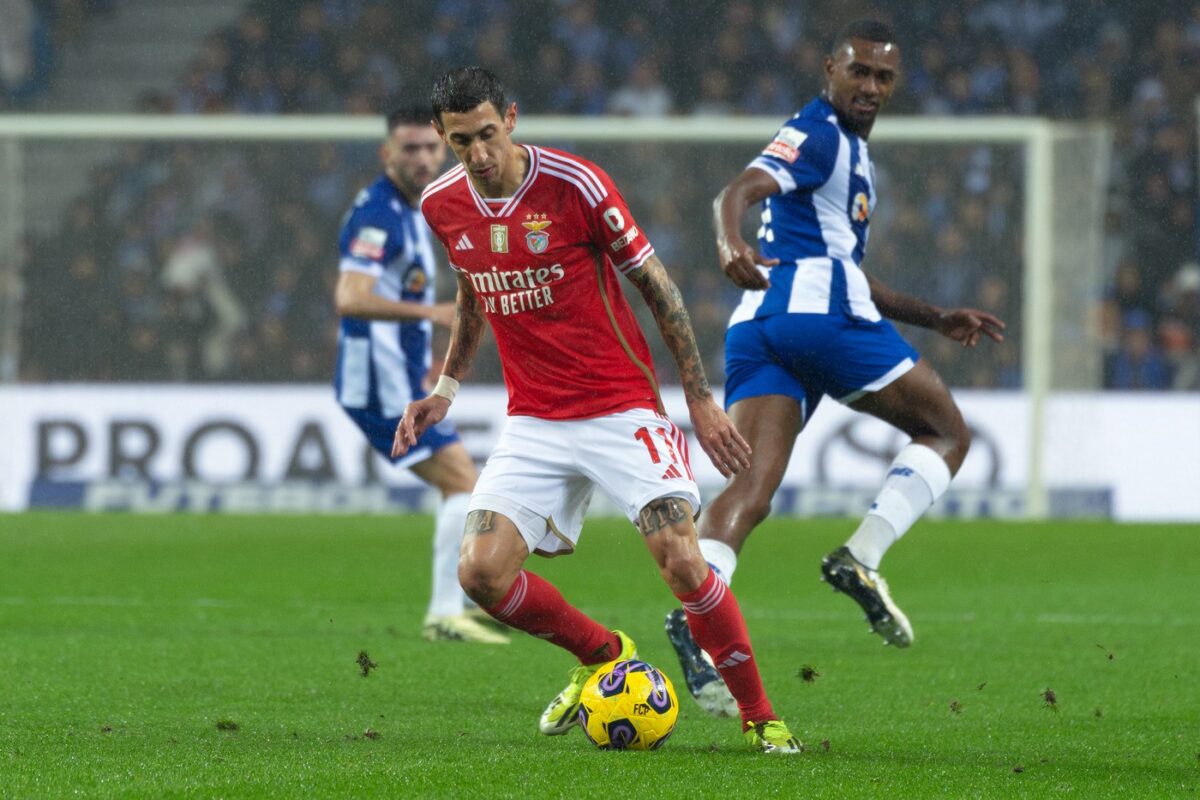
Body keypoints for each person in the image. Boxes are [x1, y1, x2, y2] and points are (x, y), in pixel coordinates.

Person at [392, 66, 801, 753]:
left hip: (620, 408)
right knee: (480, 574)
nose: (480, 153)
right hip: (534, 420)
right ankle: (604, 656)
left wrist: (697, 397)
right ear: (442, 137)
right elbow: (473, 293)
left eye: (489, 134)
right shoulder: (441, 203)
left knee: (680, 559)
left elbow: (656, 284)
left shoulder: (575, 185)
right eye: (463, 141)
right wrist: (446, 389)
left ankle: (762, 716)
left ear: (512, 119)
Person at [664, 20, 1007, 716]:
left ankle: (695, 619)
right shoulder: (819, 132)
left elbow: (849, 265)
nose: (871, 86)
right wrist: (729, 237)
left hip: (761, 324)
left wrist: (935, 316)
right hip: (817, 312)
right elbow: (737, 189)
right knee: (947, 434)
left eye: (884, 76)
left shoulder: (845, 152)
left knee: (750, 490)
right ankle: (862, 556)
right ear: (830, 70)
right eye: (859, 72)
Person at [334, 106, 507, 645]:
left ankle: (451, 605)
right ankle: (443, 612)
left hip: (399, 376)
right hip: (378, 382)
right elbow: (351, 297)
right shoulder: (378, 215)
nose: (424, 158)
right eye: (410, 149)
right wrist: (431, 314)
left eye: (430, 148)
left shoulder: (414, 210)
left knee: (460, 486)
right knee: (464, 484)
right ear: (388, 154)